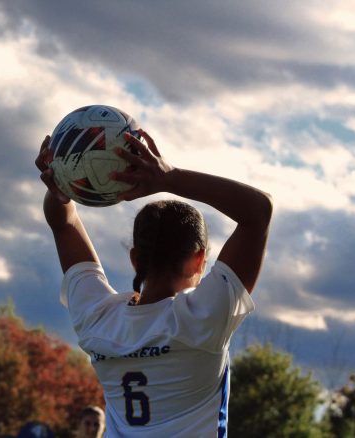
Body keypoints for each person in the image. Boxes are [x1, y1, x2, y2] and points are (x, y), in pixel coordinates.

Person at [35, 129, 273, 437]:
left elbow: (63, 222)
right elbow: (259, 210)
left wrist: (63, 185)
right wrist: (168, 177)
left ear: (135, 258)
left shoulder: (99, 318)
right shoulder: (202, 318)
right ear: (199, 259)